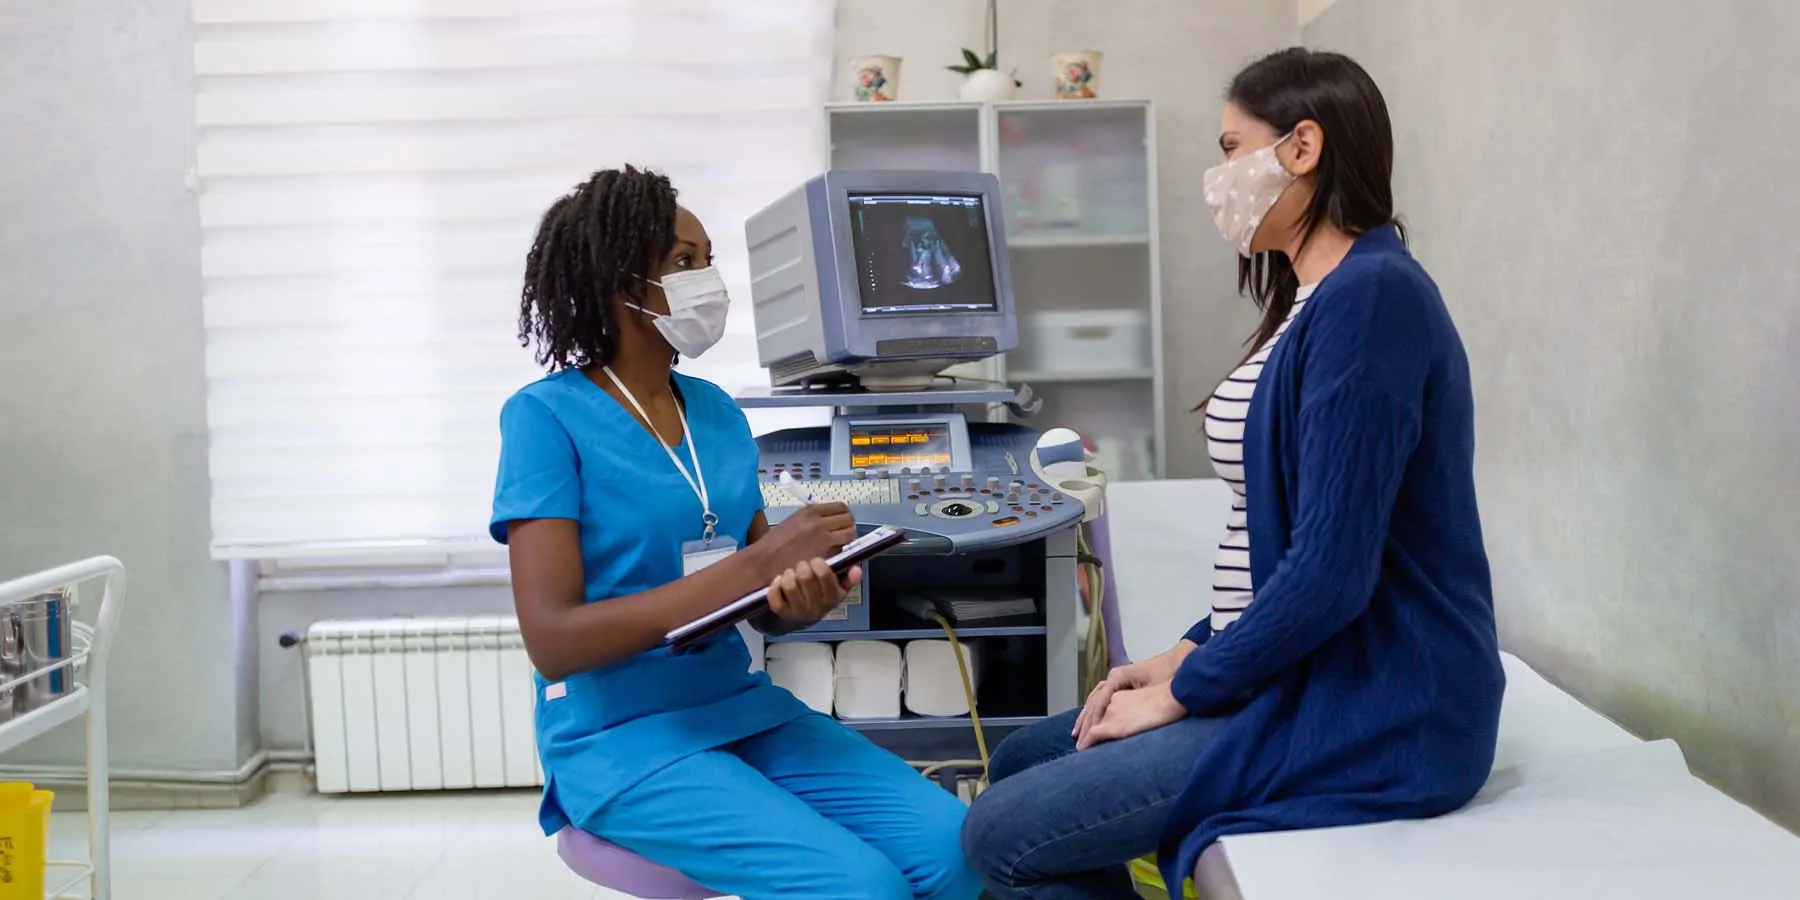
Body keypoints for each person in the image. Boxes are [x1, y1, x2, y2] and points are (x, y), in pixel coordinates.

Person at [960, 48, 1505, 898]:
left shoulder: (1372, 300)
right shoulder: (1312, 301)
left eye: (1228, 148)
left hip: (1374, 704)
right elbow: (1269, 545)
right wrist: (1185, 652)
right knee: (1027, 757)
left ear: (1302, 148)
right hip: (1297, 671)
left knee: (1001, 833)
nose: (1217, 177)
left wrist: (1185, 693)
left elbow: (1329, 572)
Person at [491, 166, 980, 900]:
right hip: (619, 735)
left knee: (957, 850)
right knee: (862, 887)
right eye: (683, 263)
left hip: (738, 705)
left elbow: (764, 597)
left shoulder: (716, 412)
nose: (707, 280)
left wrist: (800, 596)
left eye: (708, 260)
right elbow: (553, 639)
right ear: (619, 281)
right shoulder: (544, 417)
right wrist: (755, 568)